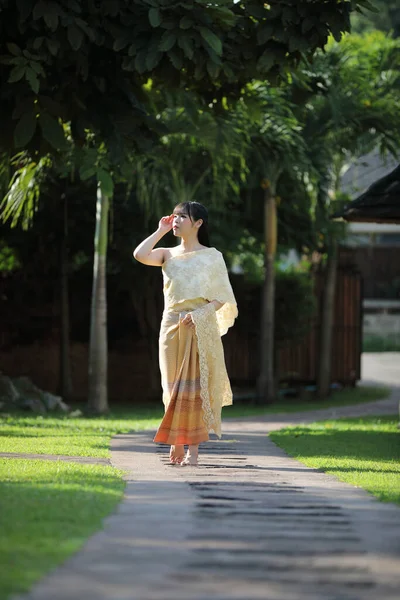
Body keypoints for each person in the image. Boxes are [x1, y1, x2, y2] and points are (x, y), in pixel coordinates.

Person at [133, 201, 237, 466]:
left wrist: (200, 314)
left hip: (199, 326)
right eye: (175, 216)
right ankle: (177, 441)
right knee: (171, 387)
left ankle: (192, 450)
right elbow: (140, 255)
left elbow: (222, 297)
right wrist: (160, 231)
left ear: (198, 223)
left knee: (195, 389)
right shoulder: (167, 254)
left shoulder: (212, 256)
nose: (176, 220)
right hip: (171, 325)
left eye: (182, 217)